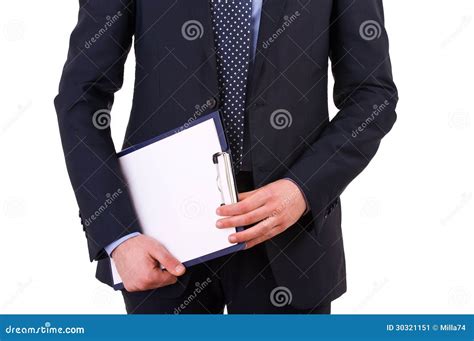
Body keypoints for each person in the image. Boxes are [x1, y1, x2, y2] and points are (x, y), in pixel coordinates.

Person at [55, 0, 398, 314]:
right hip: (158, 233)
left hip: (289, 234)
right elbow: (81, 97)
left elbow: (372, 95)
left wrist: (303, 189)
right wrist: (119, 236)